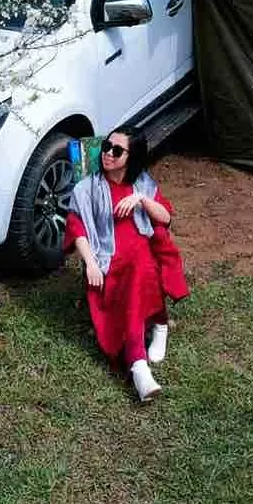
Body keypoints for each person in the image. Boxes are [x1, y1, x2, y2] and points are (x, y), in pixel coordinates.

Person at [64, 127, 190, 402]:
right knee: (134, 275)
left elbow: (165, 218)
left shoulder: (142, 184)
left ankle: (140, 358)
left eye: (117, 150)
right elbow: (77, 227)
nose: (108, 153)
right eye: (107, 146)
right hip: (108, 256)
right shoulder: (87, 188)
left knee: (140, 268)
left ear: (131, 157)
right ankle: (152, 337)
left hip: (140, 252)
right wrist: (90, 263)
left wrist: (142, 200)